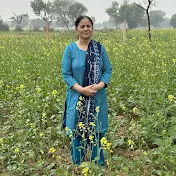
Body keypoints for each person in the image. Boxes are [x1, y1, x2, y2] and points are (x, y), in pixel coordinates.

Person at [62, 15, 112, 166]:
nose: (85, 29)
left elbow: (107, 70)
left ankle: (98, 164)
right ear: (76, 29)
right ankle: (78, 164)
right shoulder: (70, 49)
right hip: (77, 97)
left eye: (88, 26)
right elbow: (66, 74)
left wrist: (99, 86)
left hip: (97, 97)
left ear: (92, 28)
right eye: (82, 26)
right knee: (77, 130)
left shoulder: (99, 49)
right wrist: (81, 90)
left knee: (97, 131)